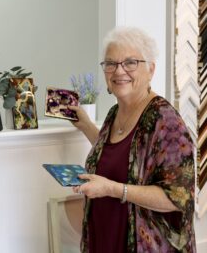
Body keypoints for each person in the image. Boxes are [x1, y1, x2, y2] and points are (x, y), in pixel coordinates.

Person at [70, 26, 196, 252]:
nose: (119, 71)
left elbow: (177, 197)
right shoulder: (114, 114)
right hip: (104, 240)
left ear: (151, 70)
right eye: (111, 63)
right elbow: (120, 156)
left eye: (130, 62)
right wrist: (87, 126)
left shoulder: (165, 120)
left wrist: (113, 189)